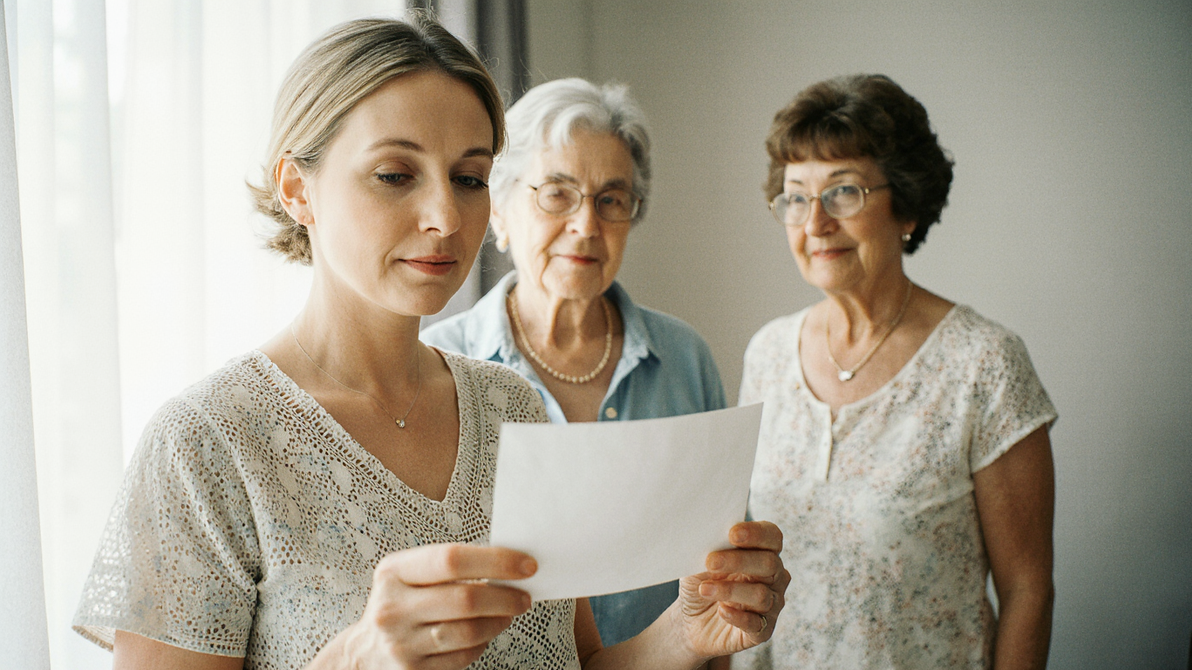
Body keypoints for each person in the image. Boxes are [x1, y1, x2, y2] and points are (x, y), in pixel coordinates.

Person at [72, 16, 788, 670]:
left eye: (470, 177)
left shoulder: (513, 407)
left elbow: (575, 664)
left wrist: (684, 633)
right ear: (297, 188)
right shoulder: (204, 446)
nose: (447, 216)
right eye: (395, 174)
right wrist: (354, 661)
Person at [732, 74, 1056, 669]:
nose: (815, 222)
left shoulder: (984, 364)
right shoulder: (768, 355)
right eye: (796, 196)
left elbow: (1027, 592)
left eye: (844, 193)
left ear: (904, 204)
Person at [421, 77, 726, 648]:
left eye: (611, 200)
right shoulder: (439, 364)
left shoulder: (685, 358)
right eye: (557, 193)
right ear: (500, 214)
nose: (587, 225)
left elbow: (721, 570)